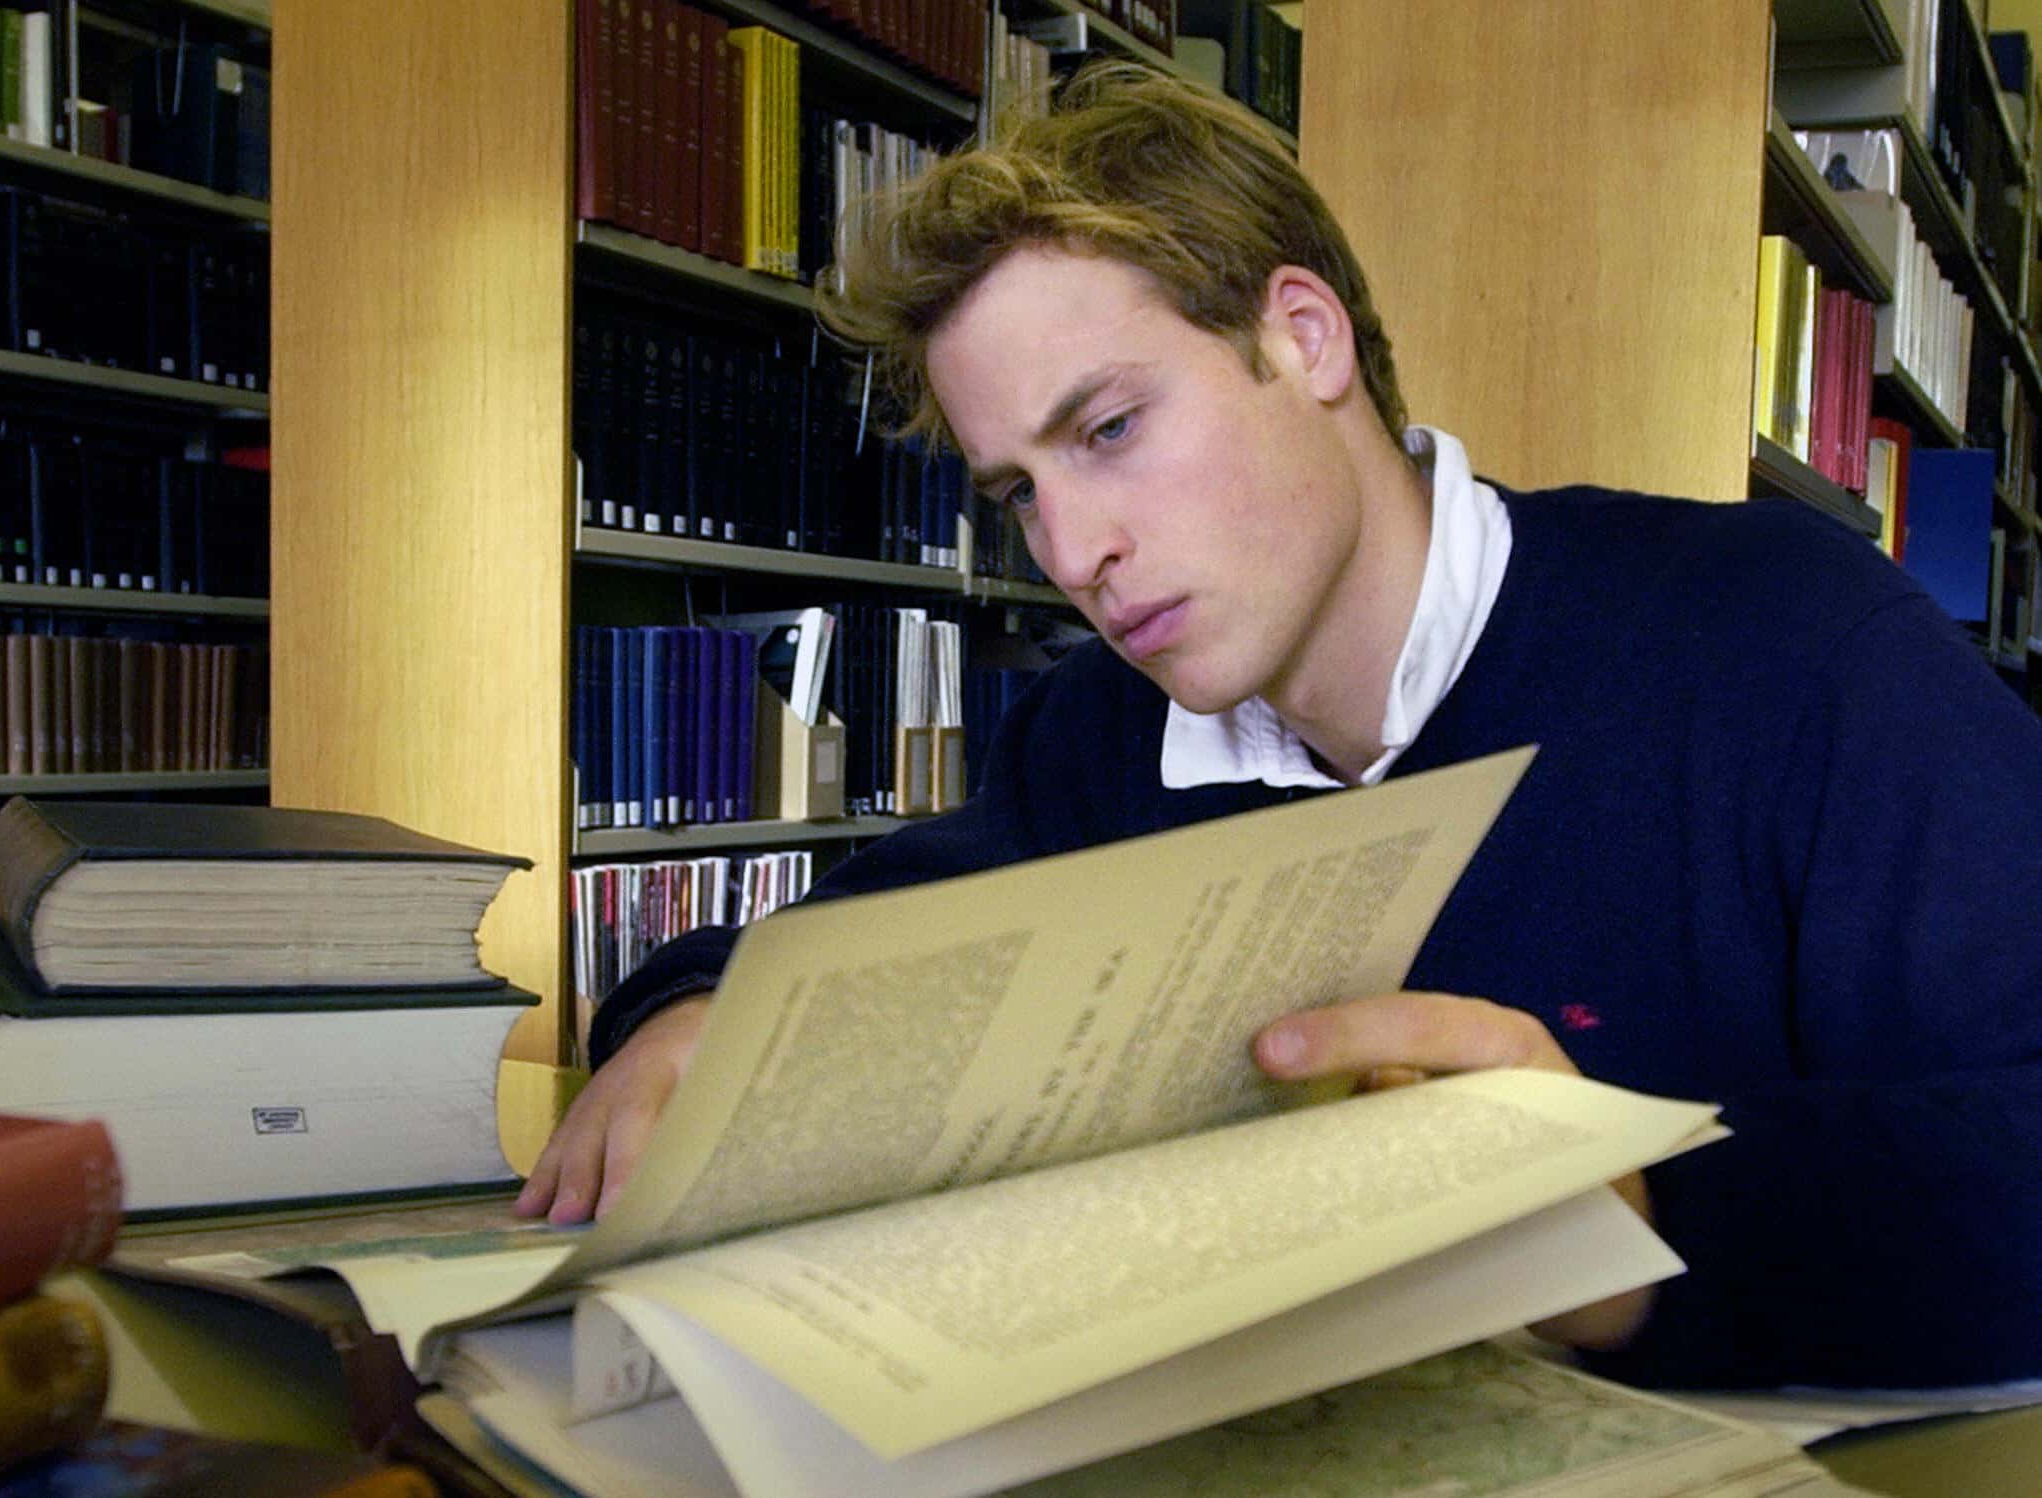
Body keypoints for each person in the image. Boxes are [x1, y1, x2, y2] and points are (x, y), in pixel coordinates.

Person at [518, 61, 2042, 1390]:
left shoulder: (1788, 641)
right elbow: (826, 952)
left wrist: (1632, 1222)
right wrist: (687, 1023)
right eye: (1019, 493)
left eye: (1109, 430)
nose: (1071, 554)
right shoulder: (1092, 745)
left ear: (1304, 336)